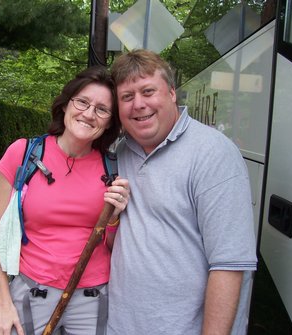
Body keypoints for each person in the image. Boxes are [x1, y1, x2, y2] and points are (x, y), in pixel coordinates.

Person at [107, 49, 257, 335]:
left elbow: (229, 264)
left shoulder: (214, 154)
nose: (138, 104)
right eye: (127, 97)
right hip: (121, 326)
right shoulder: (119, 154)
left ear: (172, 93)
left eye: (148, 91)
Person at [0, 66, 130, 335]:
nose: (89, 114)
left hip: (92, 297)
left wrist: (114, 219)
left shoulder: (114, 167)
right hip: (30, 293)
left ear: (110, 121)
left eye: (101, 109)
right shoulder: (23, 153)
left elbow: (113, 243)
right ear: (66, 104)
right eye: (83, 102)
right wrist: (3, 302)